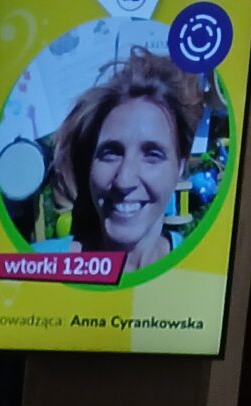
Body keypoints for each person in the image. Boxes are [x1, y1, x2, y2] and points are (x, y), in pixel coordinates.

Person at [52, 46, 205, 270]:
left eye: (152, 155)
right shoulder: (36, 268)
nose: (124, 180)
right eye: (110, 153)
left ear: (180, 166)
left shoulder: (201, 269)